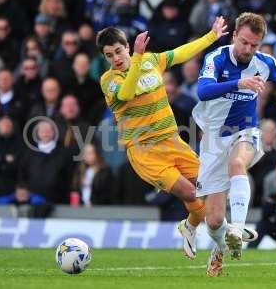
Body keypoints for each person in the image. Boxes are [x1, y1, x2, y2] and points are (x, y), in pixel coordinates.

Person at [97, 17, 228, 260]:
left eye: (118, 51)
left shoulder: (152, 60)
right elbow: (126, 93)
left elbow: (181, 53)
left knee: (211, 185)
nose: (115, 58)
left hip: (172, 141)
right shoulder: (109, 80)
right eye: (109, 55)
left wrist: (211, 37)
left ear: (126, 46)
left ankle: (189, 226)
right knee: (191, 193)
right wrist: (135, 57)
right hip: (144, 150)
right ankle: (224, 232)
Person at [193, 12, 276, 276]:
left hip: (246, 130)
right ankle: (221, 246)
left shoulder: (264, 63)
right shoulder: (215, 58)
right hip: (214, 140)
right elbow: (202, 91)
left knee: (238, 163)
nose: (249, 49)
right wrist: (239, 82)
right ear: (235, 35)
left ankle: (237, 228)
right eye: (245, 42)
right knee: (213, 220)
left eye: (254, 45)